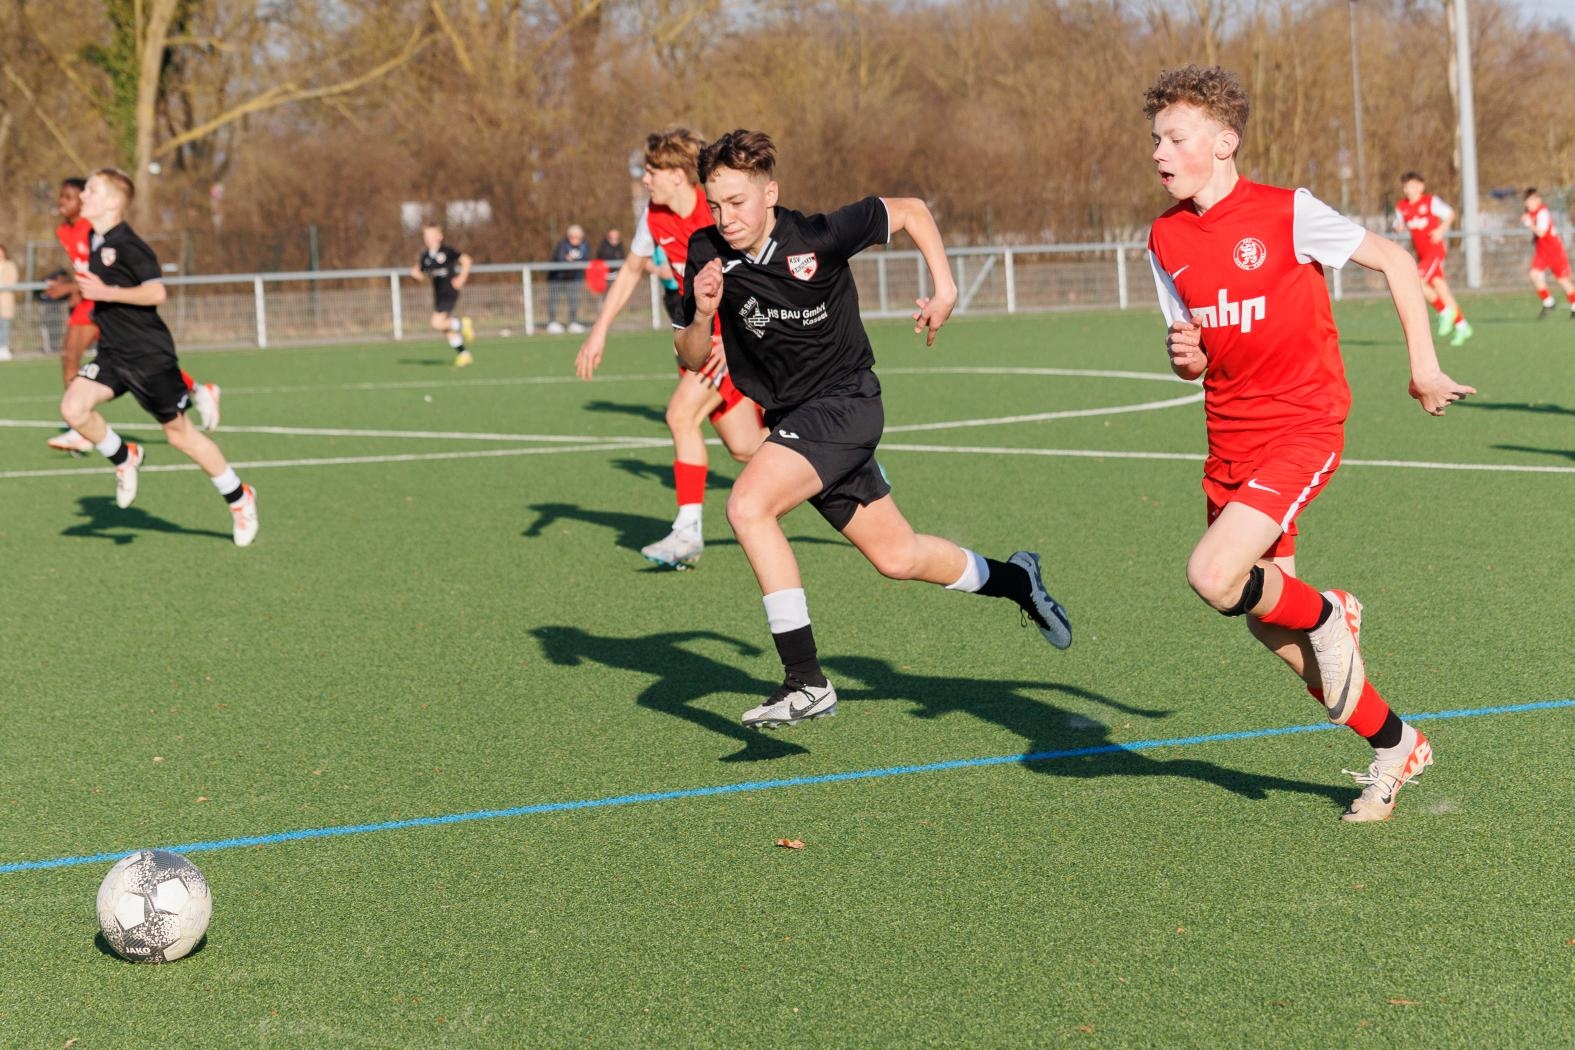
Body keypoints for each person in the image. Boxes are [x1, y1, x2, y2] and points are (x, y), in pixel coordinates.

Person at [1145, 65, 1475, 822]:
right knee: (1268, 620)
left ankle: (1330, 611)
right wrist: (1184, 355)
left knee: (1212, 574)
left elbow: (1395, 259)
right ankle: (1396, 745)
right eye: (1155, 139)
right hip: (1228, 439)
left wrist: (1423, 367)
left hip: (1302, 424)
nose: (1159, 152)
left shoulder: (1286, 211)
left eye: (1175, 137)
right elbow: (1193, 355)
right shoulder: (1164, 237)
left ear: (1224, 142)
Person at [676, 129, 1072, 729]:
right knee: (898, 556)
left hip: (846, 404)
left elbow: (910, 211)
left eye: (737, 202)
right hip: (795, 420)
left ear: (770, 193)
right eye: (715, 204)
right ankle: (1019, 580)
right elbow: (689, 354)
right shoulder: (705, 250)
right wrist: (705, 312)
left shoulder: (818, 236)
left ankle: (805, 680)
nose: (725, 217)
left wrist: (945, 288)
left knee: (748, 507)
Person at [574, 127, 767, 570]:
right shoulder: (653, 216)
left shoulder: (716, 214)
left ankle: (687, 532)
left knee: (679, 415)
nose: (645, 179)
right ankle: (838, 465)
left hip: (732, 343)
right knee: (745, 447)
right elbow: (630, 271)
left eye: (652, 171)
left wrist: (734, 339)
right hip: (700, 342)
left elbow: (756, 276)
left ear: (678, 175)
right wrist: (599, 330)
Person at [60, 169, 258, 546]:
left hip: (149, 357)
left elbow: (156, 293)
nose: (83, 195)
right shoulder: (95, 240)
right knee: (73, 408)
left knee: (180, 436)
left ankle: (239, 497)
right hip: (113, 353)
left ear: (113, 202)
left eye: (92, 190)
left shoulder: (129, 244)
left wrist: (108, 293)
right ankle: (124, 457)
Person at [46, 177, 219, 452]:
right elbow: (85, 270)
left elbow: (117, 272)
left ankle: (196, 391)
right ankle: (80, 423)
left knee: (131, 355)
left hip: (103, 298)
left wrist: (79, 289)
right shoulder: (65, 231)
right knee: (73, 355)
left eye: (73, 195)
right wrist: (71, 287)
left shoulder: (96, 228)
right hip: (92, 299)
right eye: (63, 196)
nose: (65, 201)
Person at [1393, 172, 1473, 346]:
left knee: (1417, 280)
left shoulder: (1430, 201)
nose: (1409, 189)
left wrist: (1441, 230)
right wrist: (1398, 226)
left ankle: (1444, 311)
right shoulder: (1401, 206)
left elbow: (1450, 214)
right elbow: (1398, 223)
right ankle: (1462, 326)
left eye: (1412, 185)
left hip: (1434, 251)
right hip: (1422, 254)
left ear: (1421, 186)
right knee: (1441, 289)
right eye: (1406, 186)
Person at [409, 223, 474, 367]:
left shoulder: (447, 251)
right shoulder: (425, 256)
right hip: (438, 294)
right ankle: (464, 354)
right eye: (426, 236)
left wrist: (462, 278)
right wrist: (416, 275)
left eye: (432, 235)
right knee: (446, 328)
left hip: (449, 291)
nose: (428, 238)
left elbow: (467, 261)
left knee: (436, 323)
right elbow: (421, 274)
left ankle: (462, 324)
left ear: (440, 236)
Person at [1520, 188, 1575, 318]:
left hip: (1554, 251)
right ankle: (1549, 302)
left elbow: (1542, 233)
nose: (1528, 204)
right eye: (1526, 201)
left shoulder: (1543, 212)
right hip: (1542, 251)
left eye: (1530, 201)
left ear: (1537, 200)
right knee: (1534, 274)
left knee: (1563, 280)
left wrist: (1529, 224)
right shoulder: (1530, 213)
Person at [546, 224, 589, 334]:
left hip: (573, 278)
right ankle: (552, 322)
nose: (575, 239)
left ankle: (573, 322)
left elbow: (585, 260)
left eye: (578, 237)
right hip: (558, 278)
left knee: (574, 301)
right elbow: (559, 258)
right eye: (573, 237)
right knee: (553, 300)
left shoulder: (584, 246)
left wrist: (572, 261)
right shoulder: (562, 245)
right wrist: (566, 260)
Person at [0, 244, 17, 361]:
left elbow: (13, 280)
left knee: (4, 324)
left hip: (5, 300)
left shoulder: (10, 265)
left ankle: (4, 348)